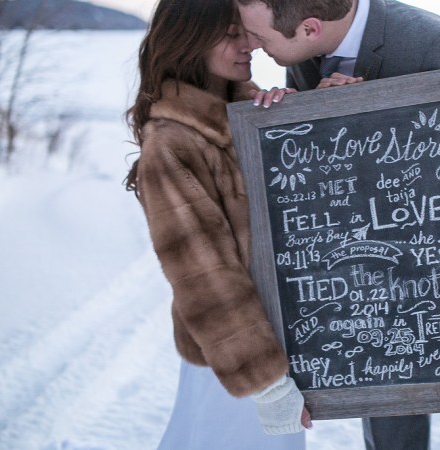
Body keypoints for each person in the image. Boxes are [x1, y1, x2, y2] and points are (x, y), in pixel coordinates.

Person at [234, 0, 440, 448]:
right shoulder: (303, 56)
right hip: (369, 295)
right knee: (388, 430)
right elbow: (325, 183)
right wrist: (312, 116)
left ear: (310, 27)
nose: (253, 47)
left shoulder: (432, 45)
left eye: (259, 38)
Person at [123, 0, 311, 447]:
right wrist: (266, 383)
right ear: (188, 41)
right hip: (236, 360)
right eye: (231, 34)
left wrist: (320, 110)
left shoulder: (245, 116)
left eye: (244, 30)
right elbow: (205, 279)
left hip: (277, 343)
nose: (249, 43)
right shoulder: (170, 143)